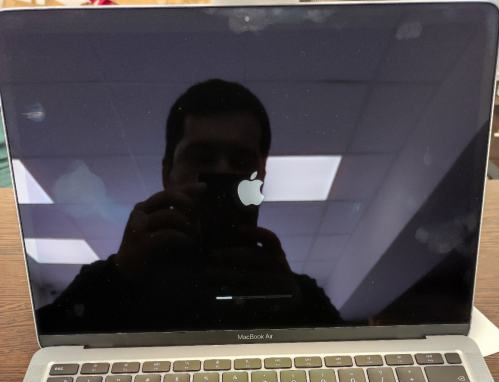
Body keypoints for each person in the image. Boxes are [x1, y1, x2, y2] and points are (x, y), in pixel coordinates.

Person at [37, 79, 341, 333]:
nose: (221, 173)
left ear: (261, 174)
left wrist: (295, 306)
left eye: (241, 161)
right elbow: (44, 345)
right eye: (202, 157)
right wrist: (118, 276)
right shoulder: (115, 276)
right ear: (167, 170)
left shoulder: (293, 290)